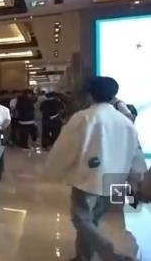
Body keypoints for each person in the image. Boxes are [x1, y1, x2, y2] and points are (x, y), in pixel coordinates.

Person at [44, 76, 146, 261]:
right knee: (94, 219)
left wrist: (55, 170)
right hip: (116, 178)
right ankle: (83, 256)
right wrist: (136, 178)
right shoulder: (124, 122)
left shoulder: (84, 118)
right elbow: (135, 152)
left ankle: (109, 253)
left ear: (90, 94)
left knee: (80, 218)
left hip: (88, 176)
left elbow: (67, 148)